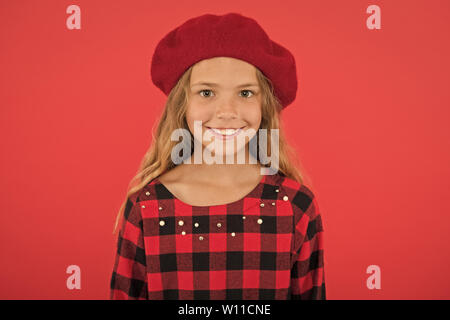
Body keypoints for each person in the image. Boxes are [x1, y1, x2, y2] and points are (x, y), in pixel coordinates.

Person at [110, 12, 326, 300]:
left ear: (265, 105)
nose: (227, 111)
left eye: (246, 93)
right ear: (182, 105)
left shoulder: (297, 206)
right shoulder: (146, 207)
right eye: (207, 92)